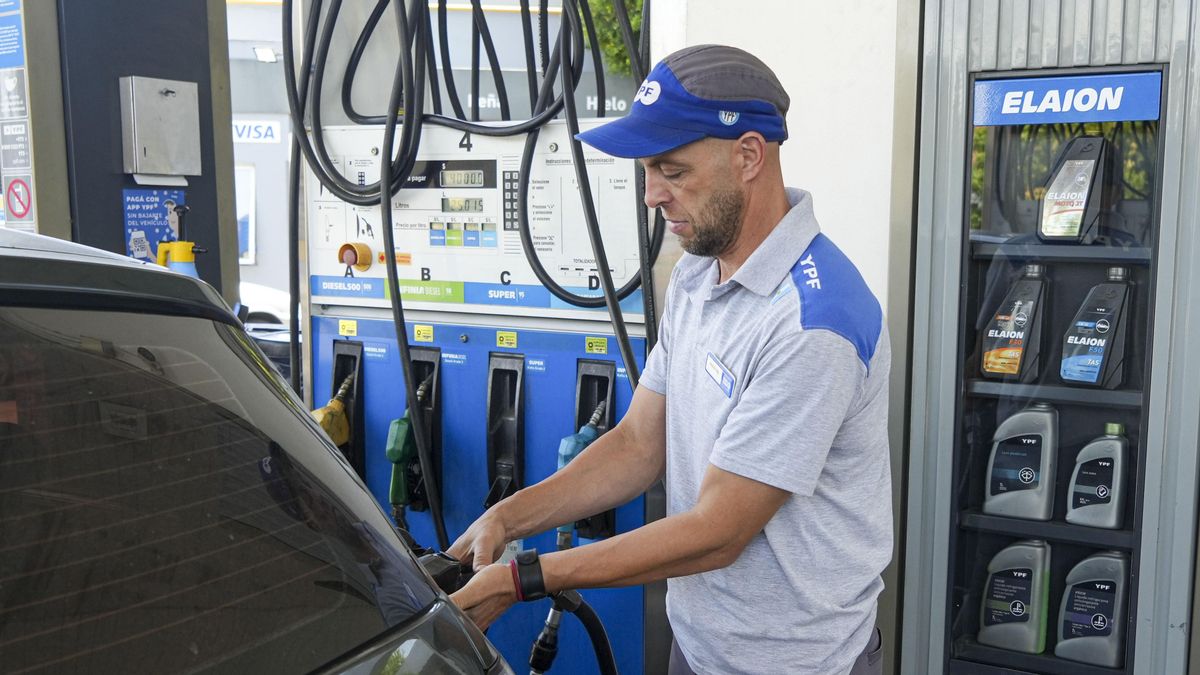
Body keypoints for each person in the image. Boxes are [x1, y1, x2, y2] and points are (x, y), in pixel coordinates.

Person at [448, 44, 891, 675]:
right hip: (700, 646)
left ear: (748, 156)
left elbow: (718, 531)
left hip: (795, 662)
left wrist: (524, 579)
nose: (652, 195)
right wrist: (507, 517)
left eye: (673, 171)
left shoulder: (813, 321)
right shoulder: (697, 273)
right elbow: (638, 444)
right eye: (647, 171)